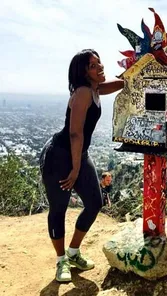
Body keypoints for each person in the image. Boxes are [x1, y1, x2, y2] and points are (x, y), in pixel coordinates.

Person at [39, 49, 124, 283]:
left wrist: (136, 72)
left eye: (99, 62)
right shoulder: (84, 92)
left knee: (95, 202)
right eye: (93, 65)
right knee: (59, 208)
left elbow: (117, 84)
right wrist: (75, 169)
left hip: (79, 154)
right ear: (83, 72)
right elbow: (76, 133)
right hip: (60, 157)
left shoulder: (95, 89)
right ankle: (61, 261)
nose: (100, 67)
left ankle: (73, 252)